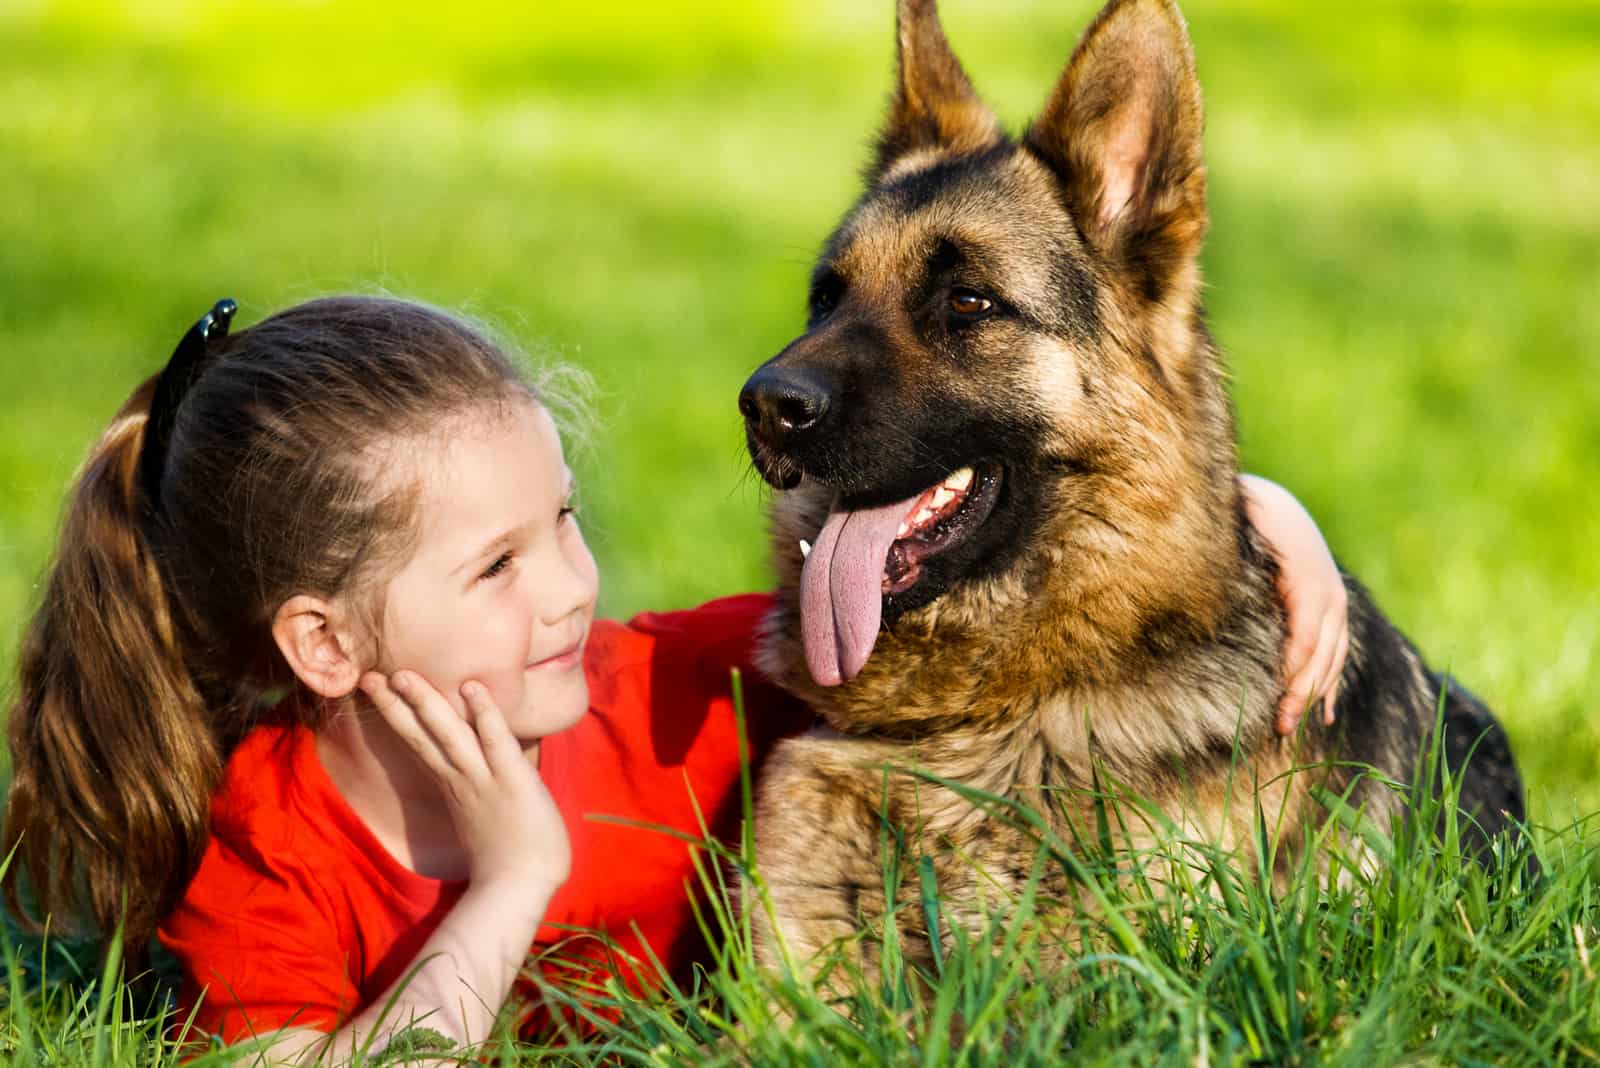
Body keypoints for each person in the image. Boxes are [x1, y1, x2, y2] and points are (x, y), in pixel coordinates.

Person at [0, 295, 1348, 1060]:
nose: (573, 591)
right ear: (326, 647)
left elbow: (991, 609)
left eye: (565, 524)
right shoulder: (270, 850)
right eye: (497, 569)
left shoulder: (664, 694)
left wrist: (1246, 511)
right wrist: (513, 878)